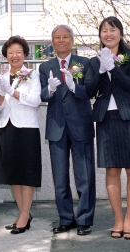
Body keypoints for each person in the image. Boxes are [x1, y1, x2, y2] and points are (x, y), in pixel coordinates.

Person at [85, 16, 130, 240]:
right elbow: (88, 92)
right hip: (106, 118)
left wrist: (115, 68)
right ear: (100, 35)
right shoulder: (94, 62)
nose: (108, 34)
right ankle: (118, 219)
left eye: (112, 30)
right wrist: (103, 70)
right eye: (104, 31)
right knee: (112, 170)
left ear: (120, 33)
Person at [39, 24, 96, 236]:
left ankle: (84, 219)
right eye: (57, 37)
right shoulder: (45, 67)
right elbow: (43, 96)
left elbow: (90, 90)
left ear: (72, 41)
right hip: (57, 127)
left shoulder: (85, 63)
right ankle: (65, 218)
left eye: (65, 37)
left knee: (85, 176)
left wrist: (74, 86)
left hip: (81, 125)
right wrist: (50, 89)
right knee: (60, 178)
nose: (61, 40)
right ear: (52, 42)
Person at [0, 36, 41, 235]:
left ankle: (24, 214)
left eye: (18, 52)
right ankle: (24, 213)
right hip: (7, 127)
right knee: (12, 173)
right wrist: (2, 94)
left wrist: (13, 93)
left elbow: (35, 100)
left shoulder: (32, 74)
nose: (14, 55)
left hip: (27, 128)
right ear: (5, 56)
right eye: (11, 52)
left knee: (27, 173)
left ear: (24, 54)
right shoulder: (1, 77)